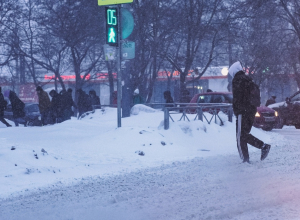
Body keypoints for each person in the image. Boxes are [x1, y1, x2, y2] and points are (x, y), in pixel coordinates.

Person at [229, 61, 271, 163]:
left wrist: (237, 110)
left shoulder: (237, 80)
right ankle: (262, 147)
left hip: (242, 112)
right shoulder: (248, 80)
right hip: (251, 111)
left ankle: (246, 159)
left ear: (234, 72)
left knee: (240, 136)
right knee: (244, 134)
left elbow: (237, 98)